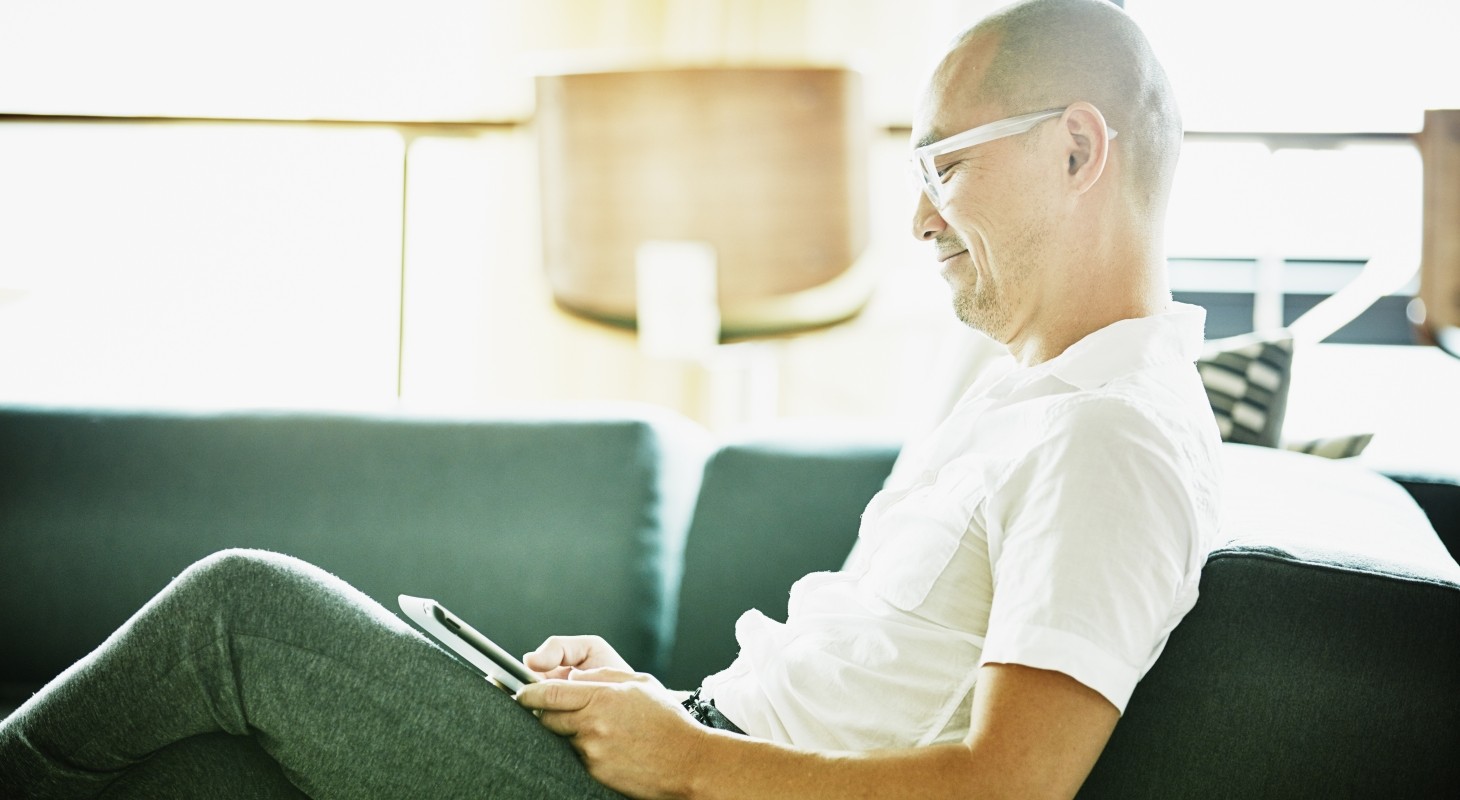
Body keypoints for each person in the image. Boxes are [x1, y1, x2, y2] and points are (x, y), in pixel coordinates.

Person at [0, 0, 1220, 797]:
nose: (913, 217)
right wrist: (654, 706)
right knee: (215, 765)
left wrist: (685, 760)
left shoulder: (1109, 438)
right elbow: (863, 689)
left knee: (240, 611)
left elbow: (1008, 783)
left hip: (694, 787)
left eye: (943, 164)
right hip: (695, 745)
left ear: (1075, 149)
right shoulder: (1022, 391)